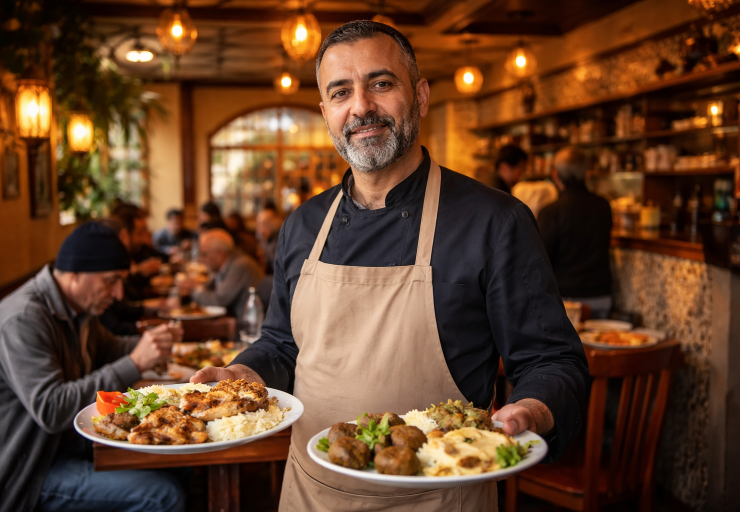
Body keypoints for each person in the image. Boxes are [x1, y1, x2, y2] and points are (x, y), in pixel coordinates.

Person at [191, 21, 590, 512]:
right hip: (312, 496)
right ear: (326, 112)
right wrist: (246, 371)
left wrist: (530, 408)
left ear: (419, 95)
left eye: (381, 83)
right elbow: (281, 343)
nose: (361, 106)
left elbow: (553, 360)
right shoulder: (302, 224)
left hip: (445, 493)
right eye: (341, 92)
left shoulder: (495, 221)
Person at [0, 222, 185, 512]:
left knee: (175, 453)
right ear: (74, 275)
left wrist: (153, 343)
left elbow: (110, 349)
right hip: (23, 473)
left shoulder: (78, 307)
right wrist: (136, 362)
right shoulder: (22, 320)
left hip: (63, 445)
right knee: (163, 496)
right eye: (111, 281)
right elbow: (52, 409)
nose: (119, 293)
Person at [538, 146, 613, 319]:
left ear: (555, 174)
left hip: (565, 300)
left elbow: (540, 258)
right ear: (587, 174)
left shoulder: (551, 212)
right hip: (600, 296)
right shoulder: (604, 206)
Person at [178, 229, 265, 317]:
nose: (200, 259)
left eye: (204, 254)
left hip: (246, 324)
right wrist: (194, 285)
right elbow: (209, 288)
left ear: (219, 255)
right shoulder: (225, 265)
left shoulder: (240, 265)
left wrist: (195, 288)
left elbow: (219, 301)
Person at [256, 208, 283, 274]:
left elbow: (277, 268)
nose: (259, 229)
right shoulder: (266, 239)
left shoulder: (278, 240)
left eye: (261, 225)